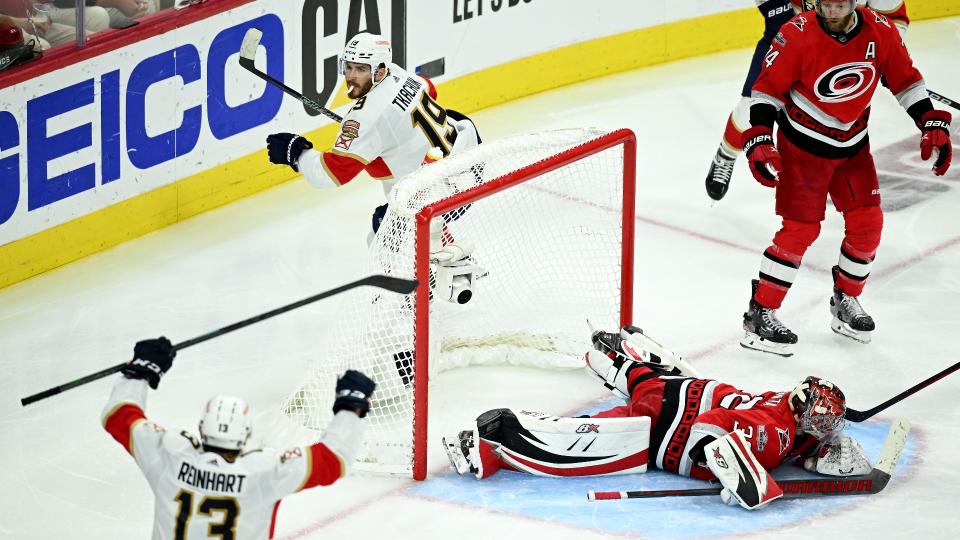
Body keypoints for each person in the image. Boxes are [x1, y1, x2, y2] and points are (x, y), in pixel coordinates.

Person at [442, 326, 872, 510]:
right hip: (663, 426)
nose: (828, 431)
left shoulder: (784, 410)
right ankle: (492, 443)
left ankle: (625, 357)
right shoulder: (776, 433)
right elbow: (713, 430)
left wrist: (813, 453)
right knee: (591, 449)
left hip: (674, 391)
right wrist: (742, 477)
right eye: (825, 422)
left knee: (653, 384)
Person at [735, 0, 952, 355]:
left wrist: (928, 118)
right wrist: (759, 135)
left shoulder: (879, 29)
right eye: (825, 2)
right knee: (800, 230)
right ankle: (761, 313)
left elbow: (906, 80)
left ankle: (845, 302)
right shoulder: (795, 35)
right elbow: (767, 92)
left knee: (868, 224)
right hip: (802, 149)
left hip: (852, 146)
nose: (832, 9)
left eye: (840, 1)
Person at [102, 337, 376, 539]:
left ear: (201, 427)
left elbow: (119, 416)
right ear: (245, 434)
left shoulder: (169, 456)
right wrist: (351, 407)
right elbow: (333, 458)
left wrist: (141, 371)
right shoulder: (263, 472)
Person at [265, 32, 481, 238]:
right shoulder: (397, 73)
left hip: (447, 194)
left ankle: (429, 275)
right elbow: (430, 89)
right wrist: (394, 128)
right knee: (410, 209)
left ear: (379, 71)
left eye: (360, 69)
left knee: (383, 234)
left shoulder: (365, 119)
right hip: (470, 160)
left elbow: (331, 173)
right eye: (348, 67)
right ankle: (453, 258)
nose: (351, 77)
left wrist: (296, 153)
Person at [704, 0, 909, 201]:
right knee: (751, 108)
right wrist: (785, 19)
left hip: (847, 47)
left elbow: (894, 19)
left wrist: (885, 57)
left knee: (829, 118)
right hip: (787, 35)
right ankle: (726, 154)